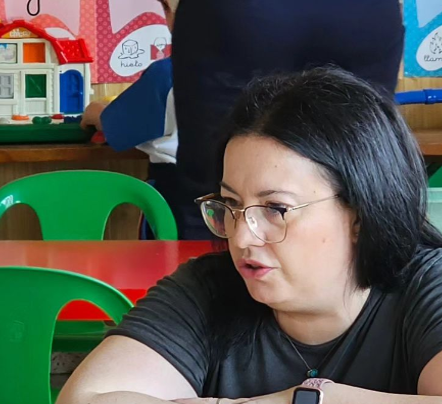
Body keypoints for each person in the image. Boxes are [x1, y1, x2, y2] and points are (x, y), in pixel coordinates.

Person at [45, 67, 442, 404]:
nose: (242, 237)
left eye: (276, 209)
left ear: (361, 212)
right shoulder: (208, 288)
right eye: (232, 205)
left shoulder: (436, 285)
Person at [171, 0, 405, 239]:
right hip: (366, 12)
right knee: (364, 180)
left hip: (242, 13)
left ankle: (217, 274)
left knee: (216, 188)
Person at [81, 0, 179, 232]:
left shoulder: (167, 75)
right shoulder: (249, 67)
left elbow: (115, 124)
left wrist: (94, 112)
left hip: (177, 200)